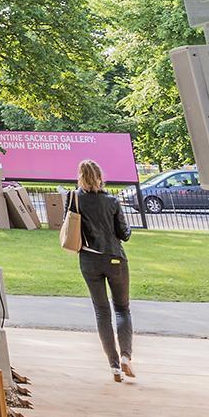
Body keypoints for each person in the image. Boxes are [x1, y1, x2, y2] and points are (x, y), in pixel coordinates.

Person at [70, 160, 136, 381]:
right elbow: (124, 233)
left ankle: (114, 366)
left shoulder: (75, 200)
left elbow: (69, 227)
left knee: (101, 311)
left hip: (89, 260)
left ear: (80, 176)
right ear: (100, 176)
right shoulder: (111, 201)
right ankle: (126, 356)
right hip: (115, 258)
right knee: (122, 309)